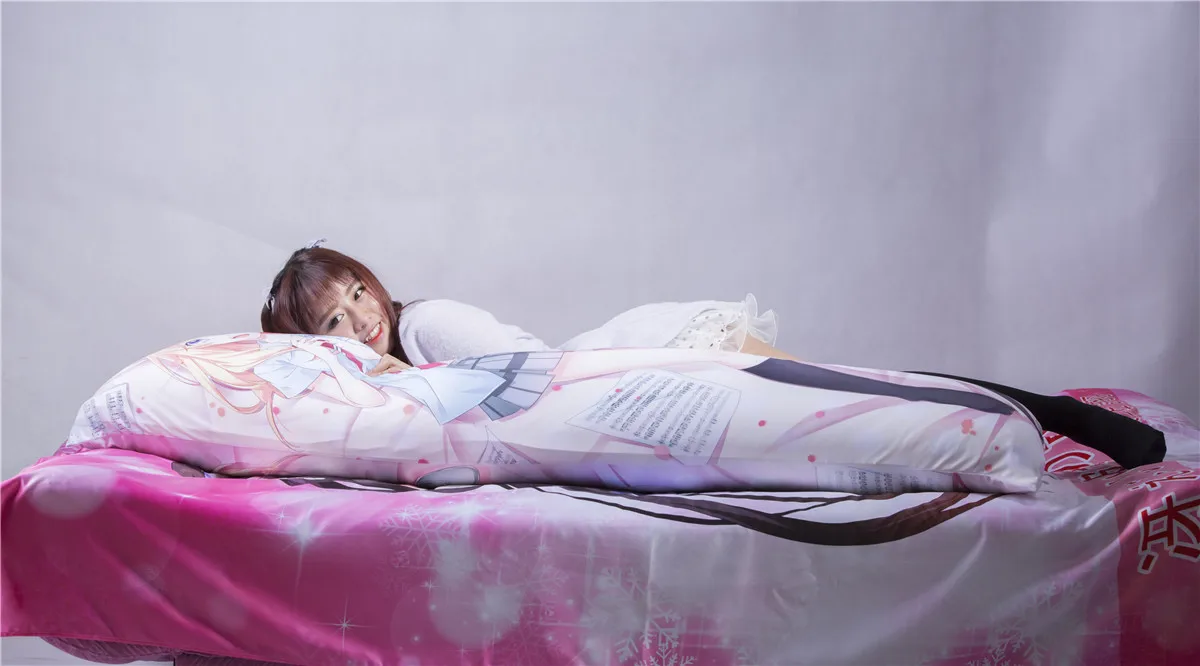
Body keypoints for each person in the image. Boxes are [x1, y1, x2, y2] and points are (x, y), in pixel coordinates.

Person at [261, 243, 1166, 469]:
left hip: (649, 361)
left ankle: (1066, 417)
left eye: (356, 291)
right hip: (640, 383)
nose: (359, 317)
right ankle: (1052, 419)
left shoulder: (429, 327)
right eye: (333, 318)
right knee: (862, 400)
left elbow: (536, 373)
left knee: (866, 389)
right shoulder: (391, 373)